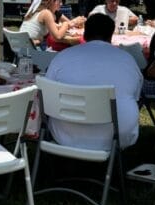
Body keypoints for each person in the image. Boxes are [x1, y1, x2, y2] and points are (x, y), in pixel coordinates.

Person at [45, 13, 143, 150]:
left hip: (66, 133)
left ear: (84, 35)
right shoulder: (127, 60)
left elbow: (46, 95)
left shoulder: (62, 57)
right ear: (110, 36)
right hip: (116, 134)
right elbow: (136, 96)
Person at [19, 0, 85, 46]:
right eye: (59, 1)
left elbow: (56, 26)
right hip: (30, 49)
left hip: (22, 46)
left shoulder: (35, 11)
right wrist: (66, 24)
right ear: (54, 1)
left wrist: (73, 22)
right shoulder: (46, 13)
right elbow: (58, 37)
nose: (61, 4)